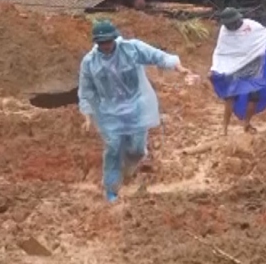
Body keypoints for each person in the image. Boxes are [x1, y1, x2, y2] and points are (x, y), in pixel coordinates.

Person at [78, 19, 195, 203]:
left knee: (137, 149)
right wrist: (87, 116)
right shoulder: (90, 62)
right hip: (110, 112)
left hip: (136, 107)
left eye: (108, 41)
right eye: (102, 43)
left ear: (114, 38)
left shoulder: (131, 49)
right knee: (113, 149)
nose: (106, 46)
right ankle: (111, 190)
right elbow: (86, 91)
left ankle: (128, 170)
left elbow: (158, 57)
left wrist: (179, 68)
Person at [208, 7, 266, 135]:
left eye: (233, 22)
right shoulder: (225, 31)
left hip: (253, 67)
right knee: (230, 97)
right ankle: (224, 128)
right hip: (234, 68)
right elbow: (221, 51)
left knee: (253, 97)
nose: (231, 25)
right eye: (228, 24)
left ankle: (246, 124)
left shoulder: (251, 26)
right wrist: (215, 68)